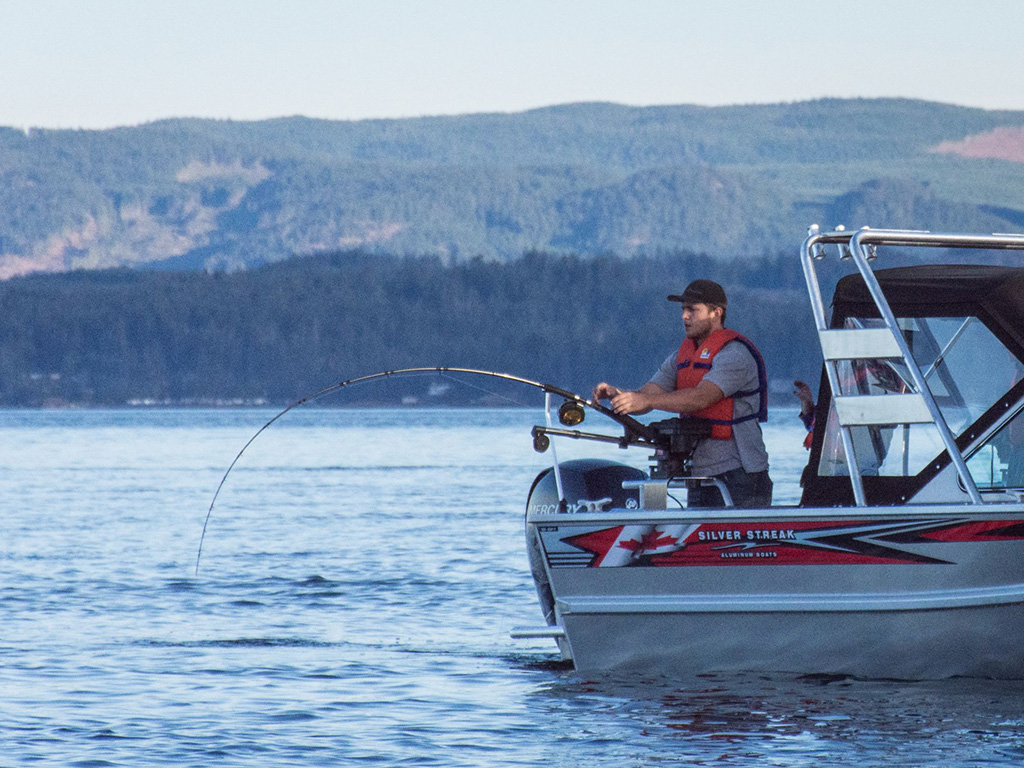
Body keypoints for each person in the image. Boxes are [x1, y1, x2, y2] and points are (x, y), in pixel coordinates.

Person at [592, 279, 771, 508]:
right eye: (683, 310)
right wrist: (622, 396)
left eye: (693, 310)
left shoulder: (735, 355)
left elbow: (701, 397)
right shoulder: (680, 357)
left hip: (740, 474)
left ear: (716, 313)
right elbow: (649, 393)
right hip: (700, 473)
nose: (684, 316)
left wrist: (645, 400)